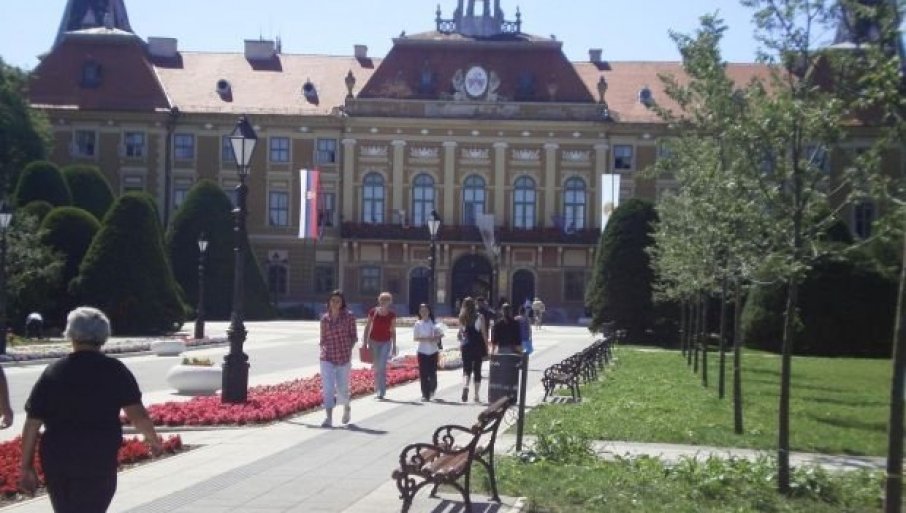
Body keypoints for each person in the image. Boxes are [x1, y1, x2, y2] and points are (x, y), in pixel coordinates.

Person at [18, 306, 162, 513]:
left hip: (58, 458)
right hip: (98, 456)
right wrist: (153, 440)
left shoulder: (53, 372)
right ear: (103, 336)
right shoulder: (114, 370)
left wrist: (26, 466)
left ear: (71, 335)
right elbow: (137, 415)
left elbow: (32, 423)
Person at [319, 290, 358, 427]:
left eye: (338, 301)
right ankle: (328, 418)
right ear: (329, 302)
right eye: (333, 300)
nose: (335, 303)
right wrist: (322, 348)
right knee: (328, 388)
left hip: (343, 357)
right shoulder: (324, 318)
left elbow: (353, 336)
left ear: (342, 303)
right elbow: (323, 338)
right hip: (327, 357)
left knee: (342, 388)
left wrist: (348, 350)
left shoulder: (349, 316)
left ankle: (347, 407)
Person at [363, 292, 397, 400]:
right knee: (377, 367)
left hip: (386, 342)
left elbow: (393, 330)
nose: (384, 301)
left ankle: (381, 391)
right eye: (382, 299)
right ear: (379, 300)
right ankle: (377, 388)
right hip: (373, 341)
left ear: (390, 301)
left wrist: (394, 345)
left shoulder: (392, 314)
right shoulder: (373, 312)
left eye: (386, 299)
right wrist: (364, 343)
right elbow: (367, 327)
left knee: (382, 366)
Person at [458, 297, 488, 403]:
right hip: (477, 345)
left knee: (466, 369)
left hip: (466, 345)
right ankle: (476, 395)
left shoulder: (461, 317)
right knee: (477, 369)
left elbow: (461, 333)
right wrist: (487, 346)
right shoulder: (480, 316)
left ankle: (465, 386)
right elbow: (483, 333)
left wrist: (461, 344)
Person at [413, 303, 442, 401]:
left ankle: (432, 389)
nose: (423, 312)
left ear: (429, 311)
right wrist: (427, 339)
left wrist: (437, 337)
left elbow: (440, 336)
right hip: (422, 351)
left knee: (432, 373)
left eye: (425, 310)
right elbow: (415, 338)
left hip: (433, 351)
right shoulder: (418, 324)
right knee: (423, 373)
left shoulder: (434, 323)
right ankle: (425, 394)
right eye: (421, 311)